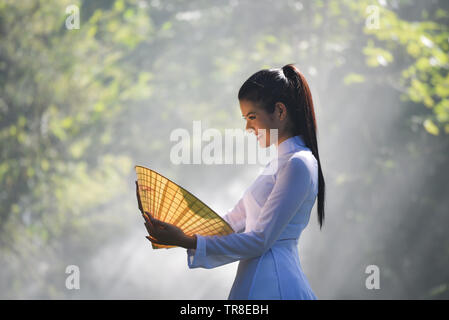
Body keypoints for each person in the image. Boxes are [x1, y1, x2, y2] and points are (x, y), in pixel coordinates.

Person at [141, 63, 326, 300]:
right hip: (256, 278)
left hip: (275, 284)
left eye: (252, 116)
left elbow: (260, 239)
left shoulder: (298, 163)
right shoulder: (279, 164)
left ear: (280, 111)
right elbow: (230, 222)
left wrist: (186, 240)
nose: (247, 127)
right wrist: (173, 230)